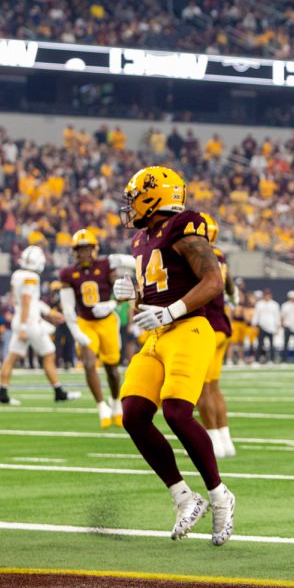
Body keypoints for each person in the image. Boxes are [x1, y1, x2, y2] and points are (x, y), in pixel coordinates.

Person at [111, 166, 235, 546]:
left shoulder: (185, 225)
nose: (129, 207)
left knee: (177, 411)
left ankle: (219, 496)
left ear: (154, 195)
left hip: (190, 328)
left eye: (134, 198)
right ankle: (184, 496)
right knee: (132, 414)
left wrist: (170, 311)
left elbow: (213, 282)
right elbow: (150, 303)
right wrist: (133, 296)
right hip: (158, 333)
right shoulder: (141, 240)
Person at [58, 229, 135, 428]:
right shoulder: (68, 273)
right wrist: (76, 332)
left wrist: (112, 304)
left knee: (111, 368)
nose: (84, 253)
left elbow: (121, 290)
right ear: (74, 252)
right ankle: (101, 405)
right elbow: (67, 308)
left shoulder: (105, 265)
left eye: (87, 248)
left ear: (94, 249)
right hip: (85, 322)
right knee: (89, 363)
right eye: (80, 249)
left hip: (107, 320)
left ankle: (116, 402)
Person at [0, 246, 81, 405]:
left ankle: (2, 392)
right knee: (49, 354)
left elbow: (28, 301)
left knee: (11, 358)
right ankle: (59, 392)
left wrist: (49, 313)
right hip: (29, 323)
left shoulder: (17, 275)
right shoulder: (31, 277)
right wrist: (23, 327)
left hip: (20, 319)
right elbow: (27, 301)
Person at [196, 213, 237, 459]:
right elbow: (231, 287)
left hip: (208, 325)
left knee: (203, 388)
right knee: (214, 388)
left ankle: (213, 441)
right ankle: (225, 439)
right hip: (222, 324)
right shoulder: (220, 255)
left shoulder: (199, 255)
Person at [252, 290, 281, 363]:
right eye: (266, 295)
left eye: (268, 295)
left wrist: (277, 327)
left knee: (271, 345)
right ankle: (257, 360)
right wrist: (254, 324)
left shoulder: (275, 304)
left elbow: (277, 316)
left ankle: (271, 360)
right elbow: (256, 315)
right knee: (260, 344)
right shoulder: (259, 304)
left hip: (271, 327)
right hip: (262, 326)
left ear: (271, 295)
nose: (267, 296)